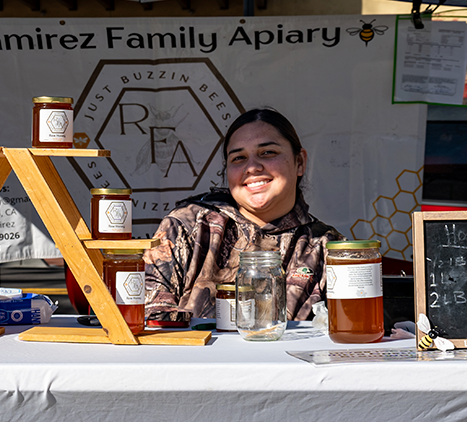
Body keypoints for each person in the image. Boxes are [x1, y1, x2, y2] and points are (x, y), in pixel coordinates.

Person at [144, 108, 345, 322]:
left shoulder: (329, 249)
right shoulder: (186, 226)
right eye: (239, 158)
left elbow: (347, 331)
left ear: (300, 162)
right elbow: (150, 317)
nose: (252, 167)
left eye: (268, 153)